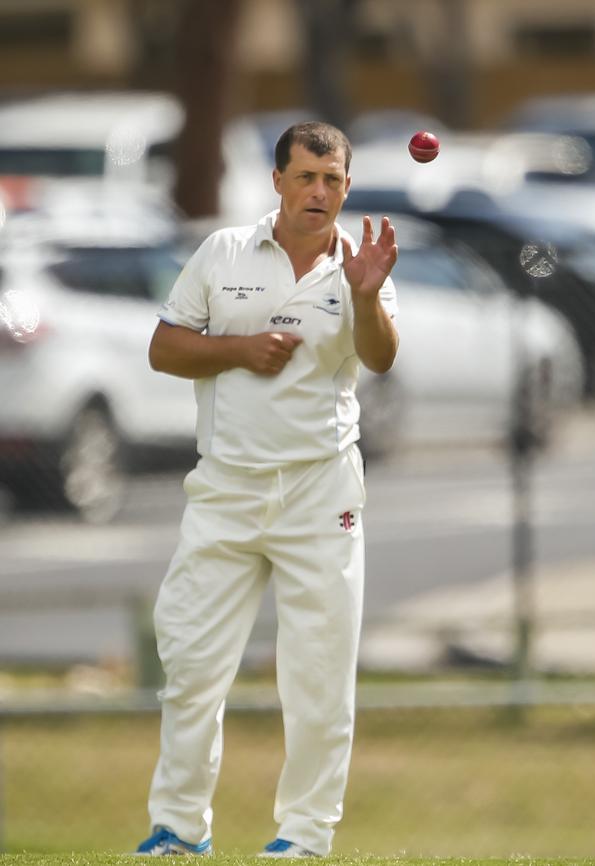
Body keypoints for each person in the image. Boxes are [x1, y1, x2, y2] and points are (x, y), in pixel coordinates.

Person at [136, 121, 399, 858]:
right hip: (226, 488)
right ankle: (178, 831)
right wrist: (241, 351)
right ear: (278, 181)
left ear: (347, 188)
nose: (320, 192)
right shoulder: (223, 253)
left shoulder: (359, 264)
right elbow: (164, 348)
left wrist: (368, 298)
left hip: (322, 490)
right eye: (307, 176)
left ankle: (304, 837)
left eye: (334, 181)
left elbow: (378, 358)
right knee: (190, 666)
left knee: (319, 677)